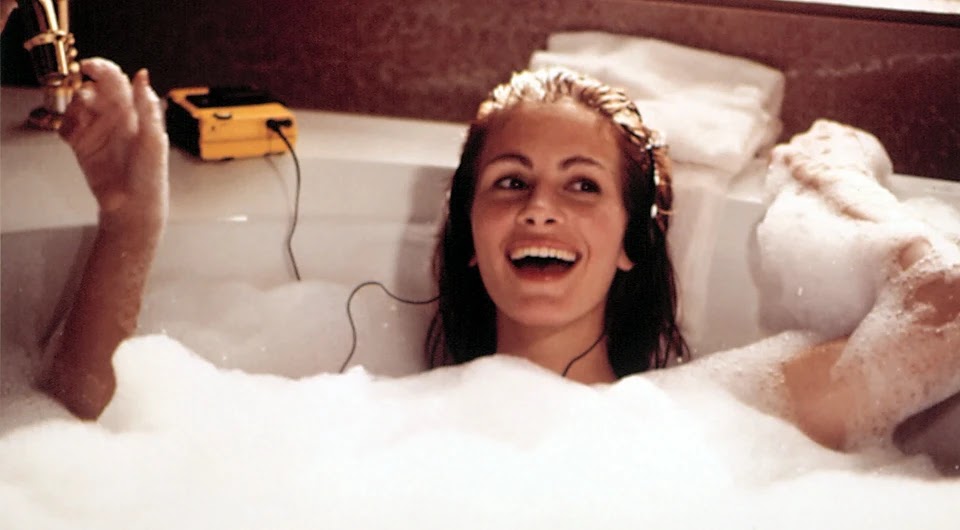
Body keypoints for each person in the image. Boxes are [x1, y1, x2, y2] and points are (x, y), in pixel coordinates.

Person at [40, 58, 959, 454]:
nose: (540, 209)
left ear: (633, 242)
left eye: (583, 186)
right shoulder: (363, 419)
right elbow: (78, 418)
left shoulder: (722, 413)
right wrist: (129, 221)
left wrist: (844, 187)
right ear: (471, 238)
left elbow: (945, 308)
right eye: (510, 182)